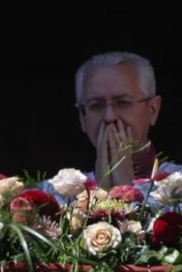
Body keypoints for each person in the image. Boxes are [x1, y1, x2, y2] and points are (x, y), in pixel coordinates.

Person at [75, 51, 178, 188]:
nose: (109, 117)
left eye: (123, 103)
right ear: (82, 117)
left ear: (152, 110)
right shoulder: (53, 197)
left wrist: (125, 191)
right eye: (96, 105)